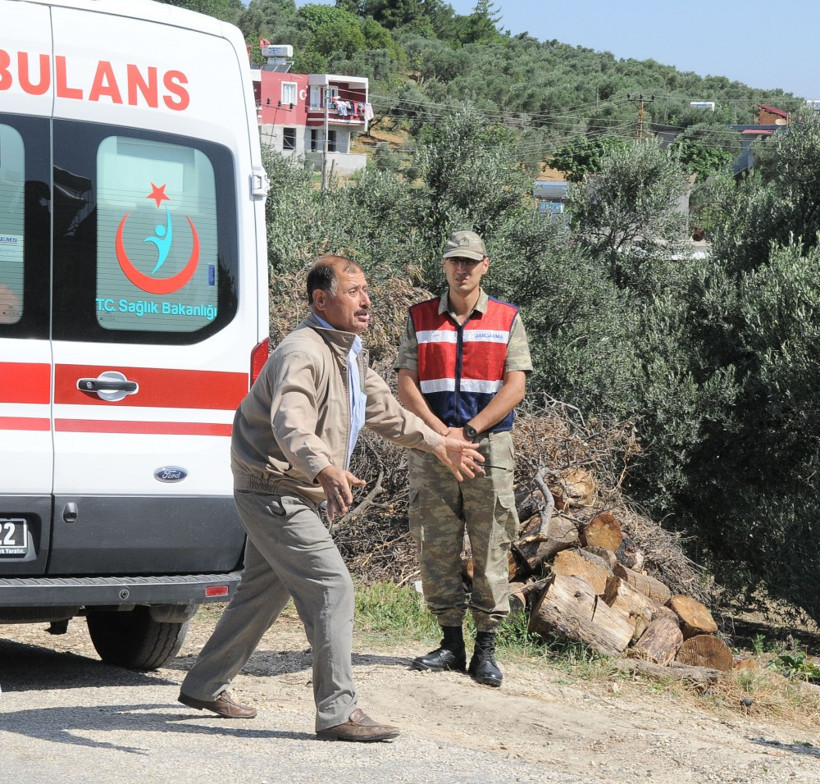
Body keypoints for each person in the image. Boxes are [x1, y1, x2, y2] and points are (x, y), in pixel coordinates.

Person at [177, 255, 483, 742]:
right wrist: (322, 465)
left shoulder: (348, 353)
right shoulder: (302, 352)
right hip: (273, 487)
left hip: (292, 486)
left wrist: (439, 443)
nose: (366, 300)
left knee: (262, 592)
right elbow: (290, 421)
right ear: (321, 300)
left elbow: (386, 413)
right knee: (332, 587)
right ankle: (338, 711)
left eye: (366, 290)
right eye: (353, 291)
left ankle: (204, 684)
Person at [395, 230, 532, 688]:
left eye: (470, 262)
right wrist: (441, 434)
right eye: (455, 261)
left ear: (485, 266)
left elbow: (515, 385)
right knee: (436, 544)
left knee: (491, 542)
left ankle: (486, 650)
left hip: (487, 447)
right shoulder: (419, 317)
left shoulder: (507, 318)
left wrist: (468, 432)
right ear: (445, 265)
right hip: (432, 446)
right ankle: (451, 644)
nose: (462, 269)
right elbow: (406, 382)